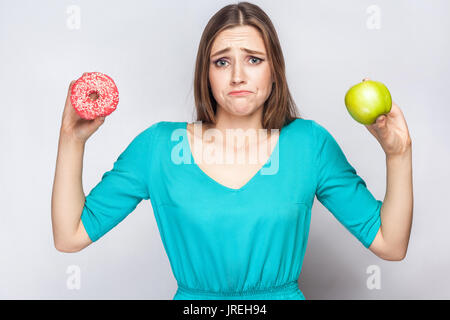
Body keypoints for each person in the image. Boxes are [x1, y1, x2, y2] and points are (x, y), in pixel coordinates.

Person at [51, 2, 413, 300]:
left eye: (254, 59)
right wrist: (72, 139)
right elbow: (70, 235)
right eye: (222, 61)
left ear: (275, 71)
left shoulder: (309, 144)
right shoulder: (158, 147)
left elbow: (390, 244)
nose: (237, 75)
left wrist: (398, 155)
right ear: (205, 73)